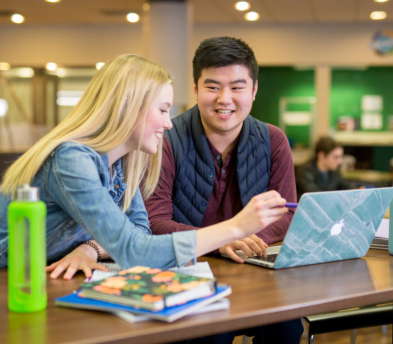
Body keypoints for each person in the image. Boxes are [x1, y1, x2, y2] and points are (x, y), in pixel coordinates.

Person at [0, 55, 288, 282]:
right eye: (163, 110)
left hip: (45, 277)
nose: (168, 123)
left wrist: (89, 248)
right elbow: (133, 251)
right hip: (13, 282)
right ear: (128, 106)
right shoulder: (71, 160)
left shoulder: (123, 162)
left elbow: (141, 231)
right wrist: (236, 227)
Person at [144, 37, 303, 344]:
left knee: (287, 329)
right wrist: (224, 240)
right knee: (212, 335)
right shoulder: (165, 139)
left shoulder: (273, 140)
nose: (225, 99)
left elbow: (286, 213)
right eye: (213, 87)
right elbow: (154, 221)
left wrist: (245, 242)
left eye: (237, 87)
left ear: (254, 90)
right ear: (195, 89)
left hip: (253, 271)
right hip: (188, 271)